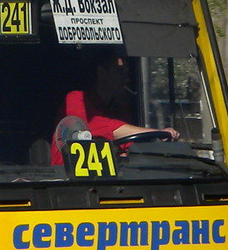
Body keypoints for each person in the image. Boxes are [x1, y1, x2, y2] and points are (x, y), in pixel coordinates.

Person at [50, 52, 179, 165]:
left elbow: (128, 145)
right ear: (101, 73)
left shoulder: (118, 109)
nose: (126, 79)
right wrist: (156, 131)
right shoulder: (75, 98)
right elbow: (92, 127)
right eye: (120, 72)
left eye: (127, 74)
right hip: (67, 181)